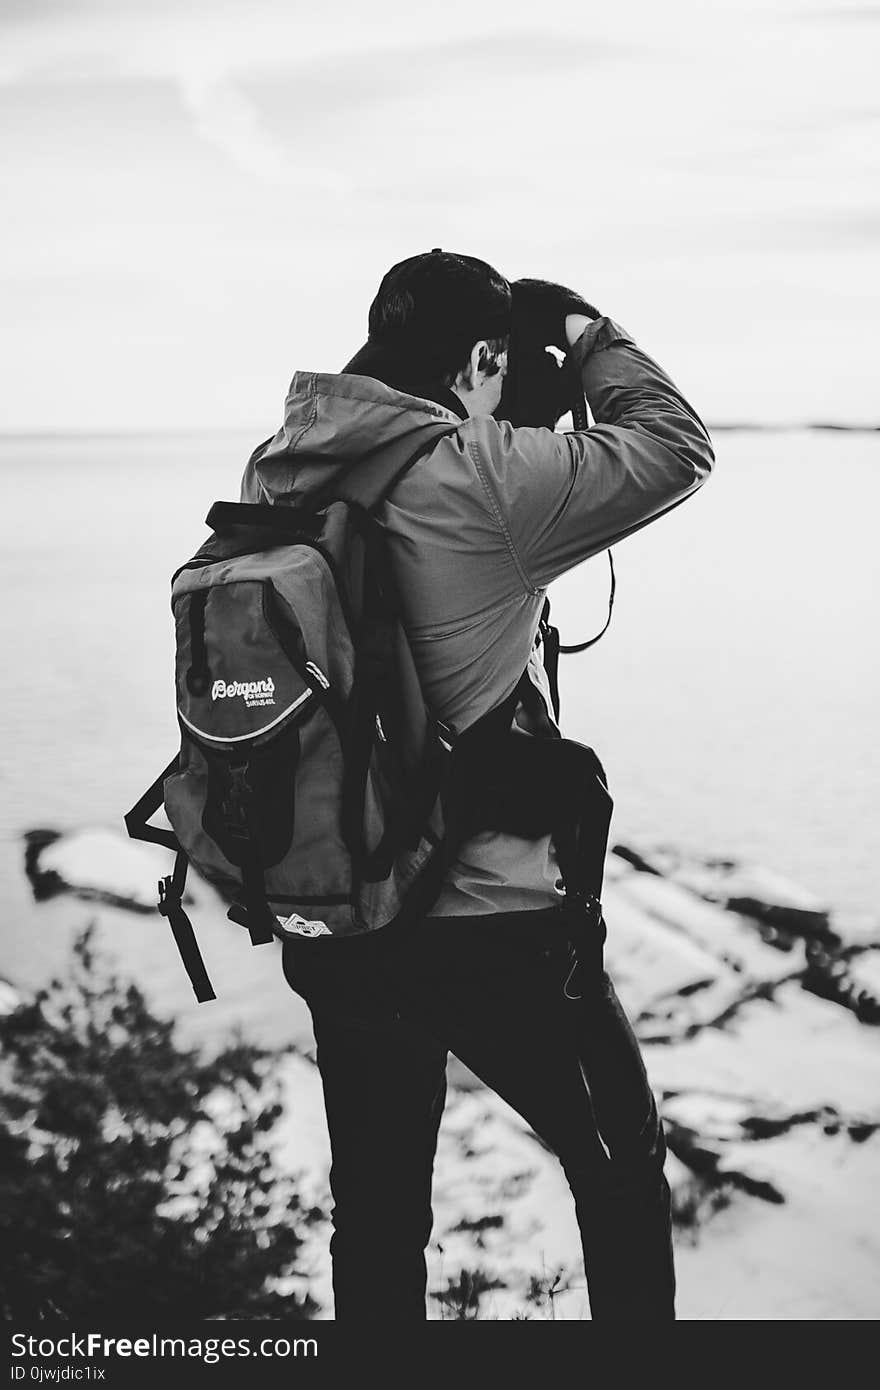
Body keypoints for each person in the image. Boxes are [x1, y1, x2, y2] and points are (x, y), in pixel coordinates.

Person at [240, 249, 714, 1321]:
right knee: (621, 1170)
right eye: (504, 370)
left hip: (343, 913)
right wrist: (589, 337)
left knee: (372, 1212)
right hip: (492, 925)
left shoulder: (279, 467)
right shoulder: (481, 474)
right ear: (485, 355)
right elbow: (675, 448)